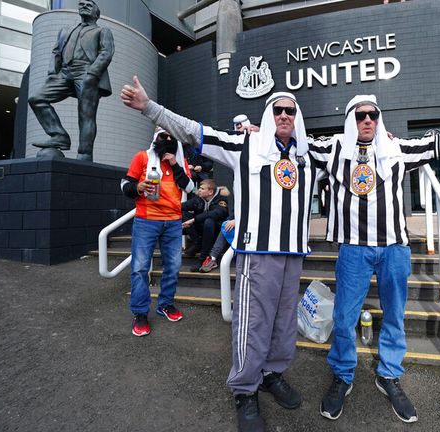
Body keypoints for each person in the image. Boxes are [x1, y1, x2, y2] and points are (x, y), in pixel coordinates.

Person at [121, 76, 324, 432]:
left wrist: (385, 140)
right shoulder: (243, 144)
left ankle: (272, 375)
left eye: (290, 110)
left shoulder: (308, 156)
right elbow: (193, 131)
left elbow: (358, 153)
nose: (284, 115)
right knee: (253, 325)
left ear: (298, 116)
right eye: (277, 109)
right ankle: (245, 390)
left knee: (283, 322)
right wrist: (150, 108)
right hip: (257, 254)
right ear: (268, 112)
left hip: (293, 253)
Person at [309, 91, 440, 423]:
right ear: (350, 120)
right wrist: (259, 130)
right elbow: (291, 143)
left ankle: (388, 374)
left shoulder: (396, 149)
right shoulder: (333, 150)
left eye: (373, 115)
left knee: (394, 317)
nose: (368, 121)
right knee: (345, 319)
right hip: (353, 251)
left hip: (394, 250)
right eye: (360, 116)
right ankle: (343, 375)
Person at [120, 127, 194, 337]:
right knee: (140, 268)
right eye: (164, 136)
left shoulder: (179, 160)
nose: (168, 140)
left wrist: (174, 163)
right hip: (146, 220)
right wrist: (139, 187)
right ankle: (140, 313)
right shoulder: (142, 157)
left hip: (173, 221)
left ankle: (165, 305)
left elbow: (189, 187)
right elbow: (125, 183)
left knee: (173, 266)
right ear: (156, 138)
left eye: (172, 137)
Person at [28, 0, 114, 161]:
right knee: (36, 99)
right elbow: (56, 52)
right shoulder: (65, 30)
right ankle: (59, 135)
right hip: (65, 72)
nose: (84, 6)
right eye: (81, 4)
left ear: (97, 13)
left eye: (89, 5)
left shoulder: (102, 31)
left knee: (86, 115)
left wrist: (92, 74)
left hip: (86, 71)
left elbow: (106, 53)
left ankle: (84, 154)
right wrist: (52, 72)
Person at [182, 179, 230, 271]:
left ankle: (203, 257)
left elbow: (217, 213)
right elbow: (183, 206)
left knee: (209, 221)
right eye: (199, 188)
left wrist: (194, 220)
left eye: (202, 188)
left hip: (216, 234)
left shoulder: (221, 200)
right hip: (203, 232)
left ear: (210, 192)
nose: (199, 190)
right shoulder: (199, 199)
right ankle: (198, 242)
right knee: (184, 214)